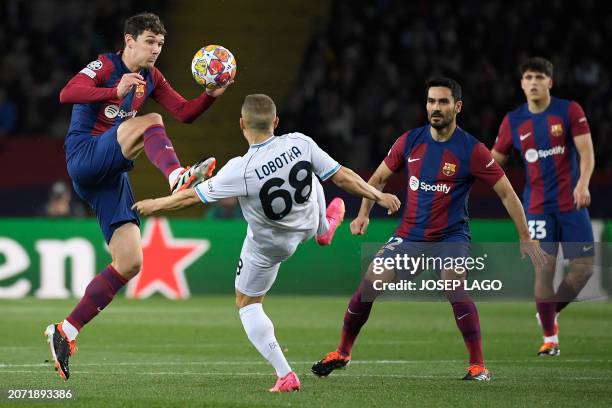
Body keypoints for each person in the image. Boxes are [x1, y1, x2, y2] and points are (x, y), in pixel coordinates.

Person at [132, 94, 401, 392]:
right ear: (275, 122)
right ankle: (324, 228)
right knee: (320, 172)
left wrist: (155, 204)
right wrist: (378, 196)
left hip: (272, 245)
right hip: (308, 220)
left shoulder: (240, 169)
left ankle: (285, 374)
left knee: (246, 304)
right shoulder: (299, 142)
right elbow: (343, 177)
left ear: (241, 124)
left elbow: (190, 197)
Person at [311, 77, 546, 381]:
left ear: (457, 107)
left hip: (451, 238)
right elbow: (379, 178)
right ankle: (342, 353)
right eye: (431, 101)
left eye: (443, 102)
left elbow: (506, 192)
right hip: (409, 237)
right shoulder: (410, 141)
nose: (436, 108)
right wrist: (364, 213)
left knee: (454, 286)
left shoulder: (472, 150)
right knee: (368, 286)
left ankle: (478, 366)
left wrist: (525, 236)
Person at [44, 12, 230, 380]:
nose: (155, 50)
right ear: (129, 41)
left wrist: (209, 96)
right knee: (151, 123)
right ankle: (177, 175)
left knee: (129, 262)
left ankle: (65, 331)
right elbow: (67, 93)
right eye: (149, 42)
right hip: (84, 157)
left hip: (109, 174)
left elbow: (184, 112)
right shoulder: (105, 66)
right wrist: (112, 91)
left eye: (160, 44)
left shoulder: (151, 78)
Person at [491, 57, 595, 357]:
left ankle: (548, 311)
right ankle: (550, 338)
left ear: (550, 81)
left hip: (572, 203)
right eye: (528, 77)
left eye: (539, 77)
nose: (533, 82)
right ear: (522, 84)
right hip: (536, 207)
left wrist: (583, 183)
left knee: (584, 269)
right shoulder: (513, 121)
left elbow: (586, 151)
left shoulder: (569, 110)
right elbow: (495, 160)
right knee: (544, 271)